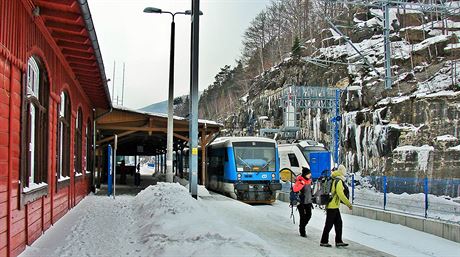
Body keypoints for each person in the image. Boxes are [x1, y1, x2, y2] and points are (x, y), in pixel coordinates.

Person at [320, 164, 353, 247]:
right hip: (332, 206)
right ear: (342, 172)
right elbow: (340, 194)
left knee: (339, 224)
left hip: (334, 206)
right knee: (329, 224)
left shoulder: (335, 178)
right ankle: (324, 241)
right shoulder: (338, 181)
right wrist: (348, 204)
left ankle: (338, 241)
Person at [292, 167, 313, 237]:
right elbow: (295, 189)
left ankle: (302, 226)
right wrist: (301, 183)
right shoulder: (300, 180)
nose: (310, 175)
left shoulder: (309, 181)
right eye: (308, 174)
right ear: (305, 174)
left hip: (308, 202)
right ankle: (302, 231)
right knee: (303, 216)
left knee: (309, 215)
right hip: (301, 202)